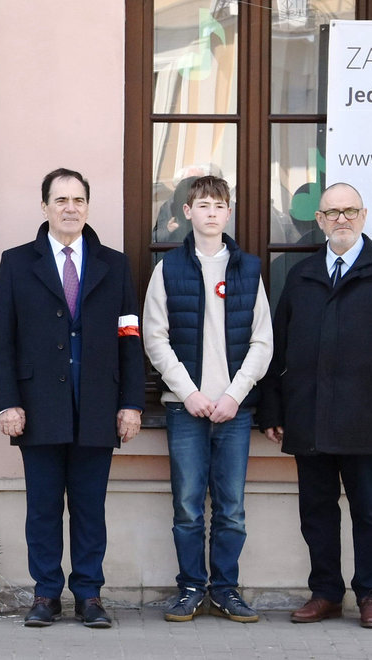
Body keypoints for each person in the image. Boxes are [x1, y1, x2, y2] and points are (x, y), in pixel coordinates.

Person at [259, 182, 372, 629]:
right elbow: (279, 347)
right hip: (308, 415)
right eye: (332, 213)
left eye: (350, 211)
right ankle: (326, 593)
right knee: (316, 510)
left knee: (369, 510)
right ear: (319, 220)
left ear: (364, 216)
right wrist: (272, 410)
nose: (342, 219)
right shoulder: (301, 275)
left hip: (366, 417)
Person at [0, 167, 145, 628]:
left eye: (78, 200)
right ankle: (45, 595)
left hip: (97, 405)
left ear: (87, 207)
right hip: (38, 408)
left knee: (89, 507)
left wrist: (131, 402)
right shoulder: (18, 263)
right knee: (42, 507)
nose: (70, 208)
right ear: (45, 207)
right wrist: (7, 402)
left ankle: (90, 594)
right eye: (61, 200)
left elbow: (129, 336)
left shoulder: (114, 265)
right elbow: (2, 339)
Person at [142, 176, 272, 623]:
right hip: (186, 409)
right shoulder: (169, 270)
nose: (212, 212)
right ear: (188, 213)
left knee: (232, 508)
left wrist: (234, 395)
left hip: (234, 412)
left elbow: (262, 342)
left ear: (228, 212)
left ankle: (227, 589)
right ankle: (191, 588)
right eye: (203, 205)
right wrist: (190, 393)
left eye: (219, 204)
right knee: (187, 506)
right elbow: (155, 339)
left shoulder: (248, 269)